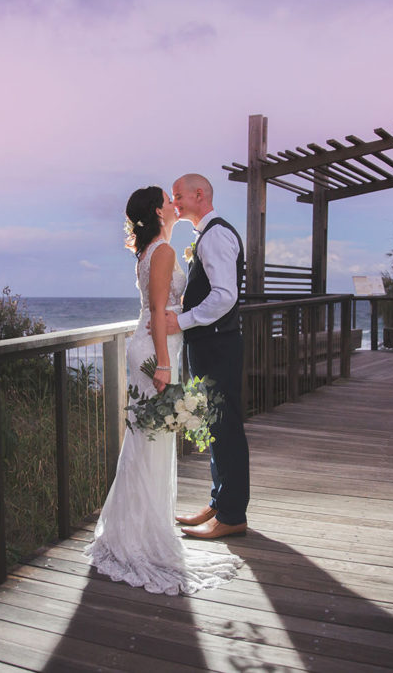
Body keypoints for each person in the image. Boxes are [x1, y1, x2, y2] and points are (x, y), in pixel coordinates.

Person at [83, 186, 242, 595]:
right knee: (149, 444)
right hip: (156, 354)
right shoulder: (164, 252)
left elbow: (158, 307)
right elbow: (156, 309)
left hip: (153, 348)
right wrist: (165, 364)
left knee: (146, 441)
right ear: (158, 210)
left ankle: (137, 529)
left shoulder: (154, 251)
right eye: (168, 200)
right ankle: (140, 536)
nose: (174, 203)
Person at [164, 173, 250, 540]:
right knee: (216, 426)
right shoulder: (207, 234)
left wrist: (180, 321)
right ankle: (220, 503)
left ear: (199, 194)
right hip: (211, 345)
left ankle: (232, 515)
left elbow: (224, 296)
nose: (175, 201)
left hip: (217, 345)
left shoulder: (215, 235)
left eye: (178, 195)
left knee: (226, 427)